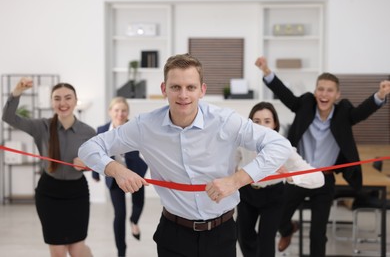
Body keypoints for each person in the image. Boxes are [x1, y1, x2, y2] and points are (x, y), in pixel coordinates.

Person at [79, 53, 292, 257]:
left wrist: (237, 180)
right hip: (173, 234)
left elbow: (280, 145)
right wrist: (115, 169)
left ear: (202, 90)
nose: (183, 95)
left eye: (190, 87)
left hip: (222, 233)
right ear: (164, 89)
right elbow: (88, 148)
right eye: (175, 87)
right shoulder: (145, 126)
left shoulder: (225, 121)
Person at [255, 56, 390, 257]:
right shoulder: (305, 105)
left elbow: (362, 112)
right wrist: (266, 71)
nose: (324, 94)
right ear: (315, 91)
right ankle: (289, 229)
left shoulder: (344, 113)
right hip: (298, 175)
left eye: (329, 90)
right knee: (279, 218)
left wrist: (380, 94)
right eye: (321, 89)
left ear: (337, 95)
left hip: (324, 180)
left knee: (318, 234)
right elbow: (285, 94)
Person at [2, 78, 95, 257]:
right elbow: (8, 117)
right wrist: (16, 93)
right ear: (51, 102)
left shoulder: (88, 132)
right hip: (49, 194)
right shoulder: (41, 127)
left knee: (77, 250)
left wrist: (88, 165)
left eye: (68, 98)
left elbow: (101, 163)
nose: (63, 103)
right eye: (57, 98)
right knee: (58, 251)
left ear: (76, 101)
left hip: (77, 194)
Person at [236, 101, 324, 257]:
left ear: (275, 124)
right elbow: (230, 164)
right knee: (244, 237)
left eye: (267, 121)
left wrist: (292, 177)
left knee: (266, 240)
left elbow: (319, 178)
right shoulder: (242, 143)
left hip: (273, 196)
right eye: (256, 121)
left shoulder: (284, 147)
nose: (261, 126)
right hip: (247, 193)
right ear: (250, 123)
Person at [92, 96, 148, 257]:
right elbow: (96, 153)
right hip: (114, 177)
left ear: (127, 112)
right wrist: (95, 173)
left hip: (134, 172)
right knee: (119, 214)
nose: (120, 113)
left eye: (123, 110)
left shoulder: (135, 127)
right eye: (116, 110)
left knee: (138, 205)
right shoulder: (102, 130)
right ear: (110, 112)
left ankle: (134, 221)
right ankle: (121, 252)